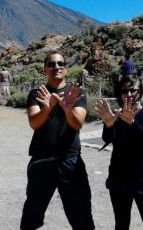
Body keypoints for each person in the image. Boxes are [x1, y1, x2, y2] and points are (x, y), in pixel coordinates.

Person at [20, 50, 95, 230]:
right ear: (45, 69)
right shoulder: (37, 93)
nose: (56, 67)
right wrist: (47, 108)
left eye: (60, 64)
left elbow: (77, 124)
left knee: (81, 215)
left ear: (66, 69)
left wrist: (68, 108)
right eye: (51, 64)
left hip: (70, 160)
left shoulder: (77, 93)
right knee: (32, 216)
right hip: (42, 160)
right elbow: (34, 123)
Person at [95, 74, 143, 230]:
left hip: (141, 179)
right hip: (119, 179)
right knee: (121, 224)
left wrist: (132, 123)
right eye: (124, 91)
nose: (128, 94)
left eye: (133, 90)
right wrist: (108, 124)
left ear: (141, 92)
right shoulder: (117, 114)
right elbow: (107, 139)